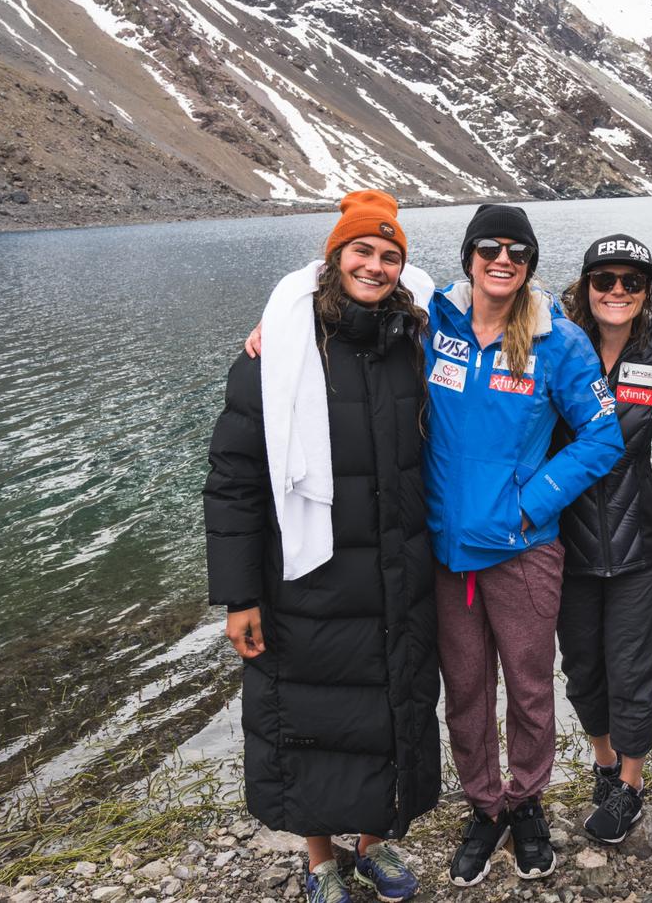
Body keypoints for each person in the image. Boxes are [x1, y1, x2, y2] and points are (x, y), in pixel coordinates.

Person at [204, 191, 440, 903]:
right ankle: (319, 861)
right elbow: (234, 480)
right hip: (306, 577)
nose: (374, 265)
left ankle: (373, 847)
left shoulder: (416, 341)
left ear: (402, 268)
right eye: (361, 251)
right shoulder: (276, 354)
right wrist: (239, 593)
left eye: (389, 254)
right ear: (334, 258)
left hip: (398, 569)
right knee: (303, 718)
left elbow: (499, 308)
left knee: (392, 708)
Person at [422, 204, 625, 886]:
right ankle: (485, 808)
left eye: (517, 250)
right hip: (449, 554)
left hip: (522, 549)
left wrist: (528, 504)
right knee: (466, 691)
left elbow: (603, 436)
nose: (502, 259)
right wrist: (277, 322)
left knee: (532, 689)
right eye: (489, 248)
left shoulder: (557, 341)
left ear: (531, 264)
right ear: (469, 257)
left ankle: (528, 801)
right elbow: (344, 302)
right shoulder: (432, 326)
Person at [554, 233, 652, 845]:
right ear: (585, 287)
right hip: (563, 541)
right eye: (605, 280)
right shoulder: (551, 341)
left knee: (632, 666)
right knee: (581, 669)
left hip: (640, 537)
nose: (618, 291)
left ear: (647, 290)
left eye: (632, 281)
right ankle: (603, 764)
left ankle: (630, 782)